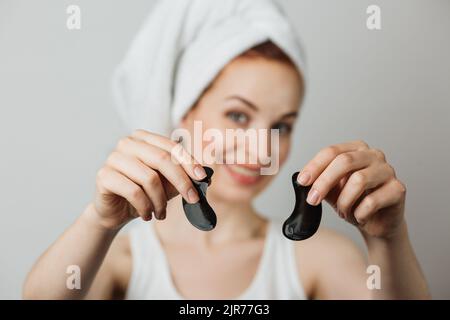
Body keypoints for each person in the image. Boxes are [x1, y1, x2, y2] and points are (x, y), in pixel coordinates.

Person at [23, 0, 430, 299]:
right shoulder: (120, 258)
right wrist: (99, 222)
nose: (260, 148)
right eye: (238, 116)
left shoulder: (318, 258)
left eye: (281, 125)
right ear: (183, 114)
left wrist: (388, 240)